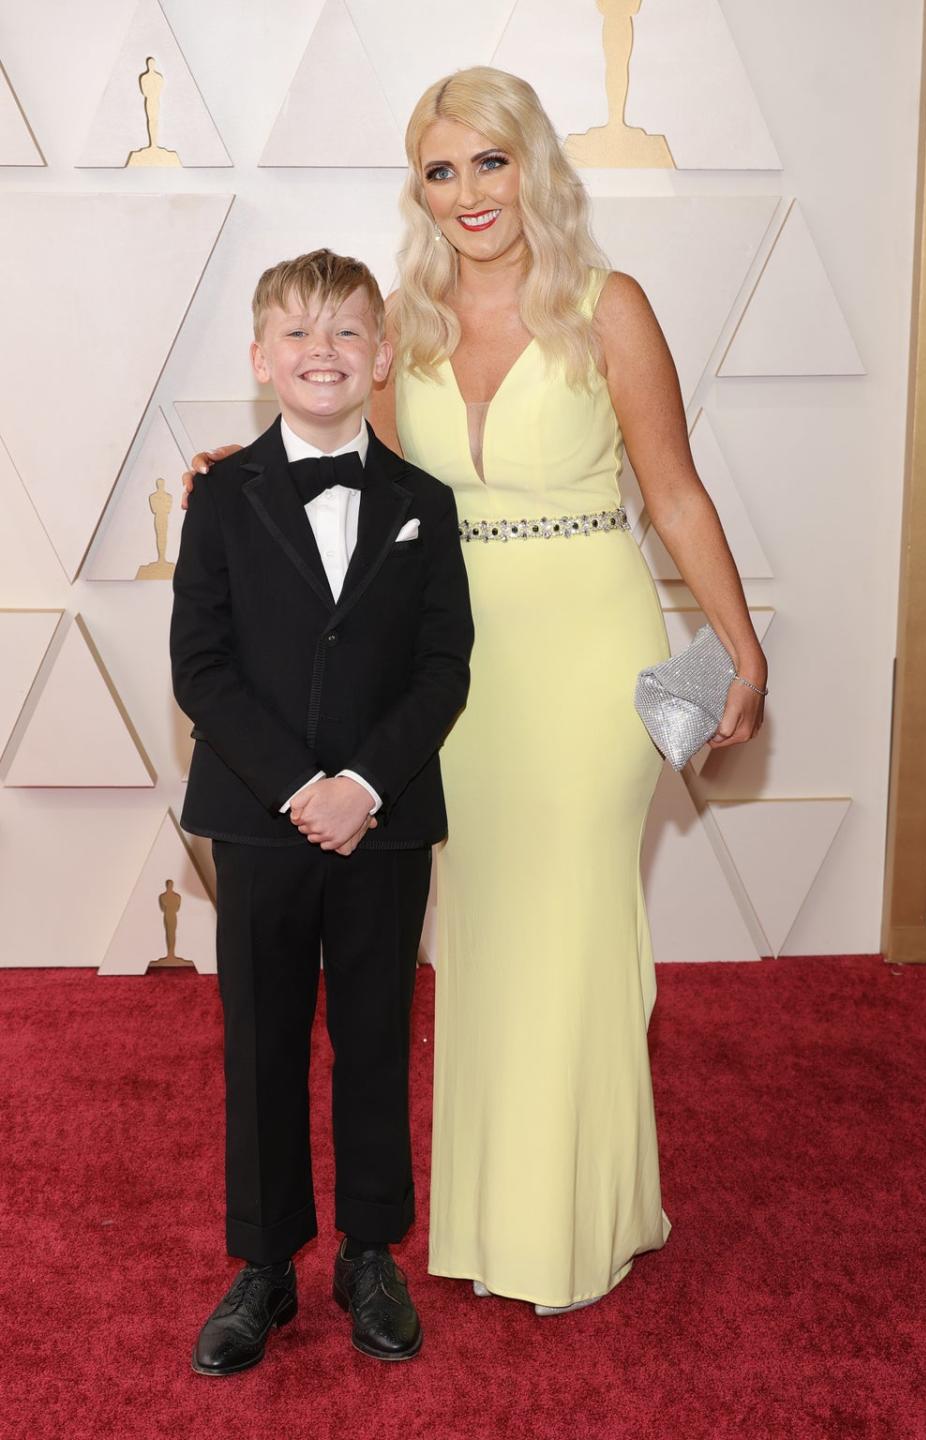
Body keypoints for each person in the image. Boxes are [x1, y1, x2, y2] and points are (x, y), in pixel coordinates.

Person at [183, 67, 766, 1315]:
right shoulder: (408, 320)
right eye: (441, 171)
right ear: (421, 189)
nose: (467, 193)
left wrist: (742, 644)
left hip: (589, 654)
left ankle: (580, 1215)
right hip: (444, 680)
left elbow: (673, 494)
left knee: (573, 927)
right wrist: (248, 462)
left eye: (488, 163)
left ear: (531, 166)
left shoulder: (608, 308)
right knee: (483, 943)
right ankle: (489, 1220)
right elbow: (360, 459)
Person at [170, 247, 473, 1374]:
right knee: (259, 1039)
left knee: (376, 1036)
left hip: (384, 822)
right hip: (260, 818)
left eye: (347, 331)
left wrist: (365, 787)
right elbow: (201, 667)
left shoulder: (424, 505)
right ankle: (264, 1267)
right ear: (260, 358)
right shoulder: (221, 494)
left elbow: (446, 665)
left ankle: (368, 1252)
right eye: (296, 334)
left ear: (382, 354)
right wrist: (302, 790)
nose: (323, 352)